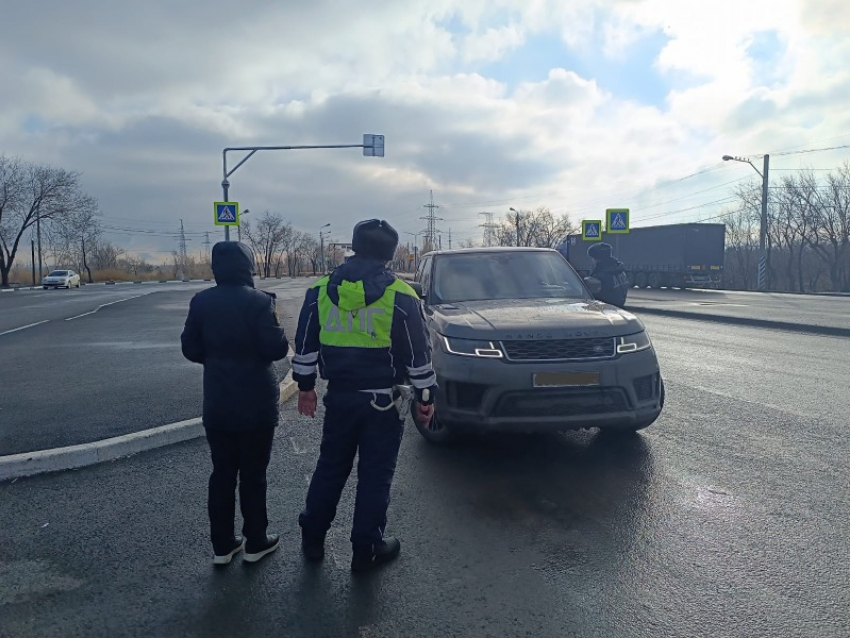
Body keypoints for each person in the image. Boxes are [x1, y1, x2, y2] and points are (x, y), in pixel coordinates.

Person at [292, 219, 436, 573]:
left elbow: (306, 345)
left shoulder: (321, 290)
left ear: (354, 246)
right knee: (375, 475)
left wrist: (306, 387)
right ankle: (366, 547)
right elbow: (419, 354)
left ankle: (313, 538)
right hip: (382, 404)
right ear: (390, 254)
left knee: (330, 467)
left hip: (339, 398)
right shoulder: (401, 294)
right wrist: (426, 397)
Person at [181, 241, 290, 566]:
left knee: (222, 473)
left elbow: (190, 348)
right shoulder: (260, 302)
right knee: (254, 475)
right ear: (247, 266)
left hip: (218, 401)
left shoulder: (201, 302)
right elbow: (276, 350)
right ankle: (256, 541)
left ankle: (223, 545)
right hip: (256, 402)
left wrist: (217, 360)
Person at [587, 242, 629, 308]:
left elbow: (594, 296)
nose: (593, 261)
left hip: (605, 309)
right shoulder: (620, 271)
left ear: (598, 259)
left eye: (594, 258)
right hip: (619, 307)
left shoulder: (601, 275)